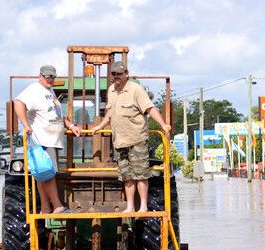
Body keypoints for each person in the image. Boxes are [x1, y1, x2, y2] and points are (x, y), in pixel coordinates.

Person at [90, 61, 171, 213]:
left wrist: (163, 124)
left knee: (140, 174)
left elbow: (150, 108)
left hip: (136, 139)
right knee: (126, 176)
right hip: (119, 141)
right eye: (113, 74)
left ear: (126, 74)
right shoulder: (111, 90)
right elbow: (110, 112)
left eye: (119, 74)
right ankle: (130, 206)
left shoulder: (136, 89)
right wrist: (100, 127)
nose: (116, 77)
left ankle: (143, 206)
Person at [14, 64, 81, 214]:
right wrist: (25, 124)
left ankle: (45, 207)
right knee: (47, 172)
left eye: (52, 76)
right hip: (42, 139)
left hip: (51, 140)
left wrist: (71, 126)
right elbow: (18, 102)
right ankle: (57, 206)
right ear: (40, 76)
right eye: (47, 76)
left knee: (41, 174)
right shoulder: (34, 89)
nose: (50, 79)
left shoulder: (50, 91)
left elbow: (58, 115)